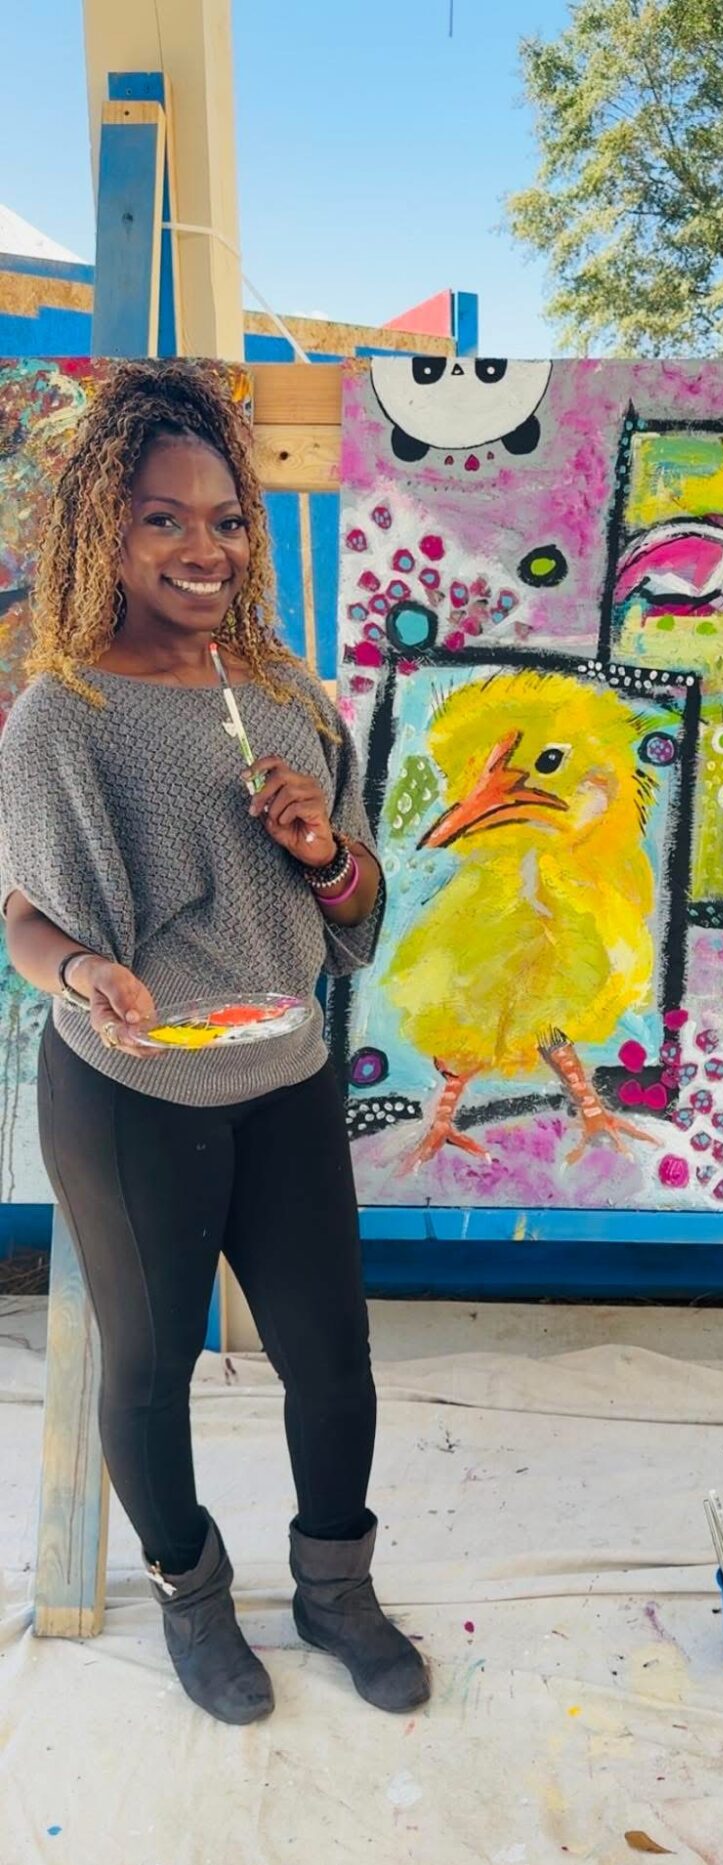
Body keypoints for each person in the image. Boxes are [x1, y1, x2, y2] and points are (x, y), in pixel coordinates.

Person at [0, 358, 428, 1725]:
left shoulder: (286, 693)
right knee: (149, 1369)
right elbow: (22, 915)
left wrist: (323, 855)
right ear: (106, 534)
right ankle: (190, 1592)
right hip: (134, 1090)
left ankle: (334, 1589)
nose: (205, 548)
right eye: (163, 520)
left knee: (332, 1356)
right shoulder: (64, 715)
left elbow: (356, 900)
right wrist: (83, 972)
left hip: (284, 1073)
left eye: (226, 520)